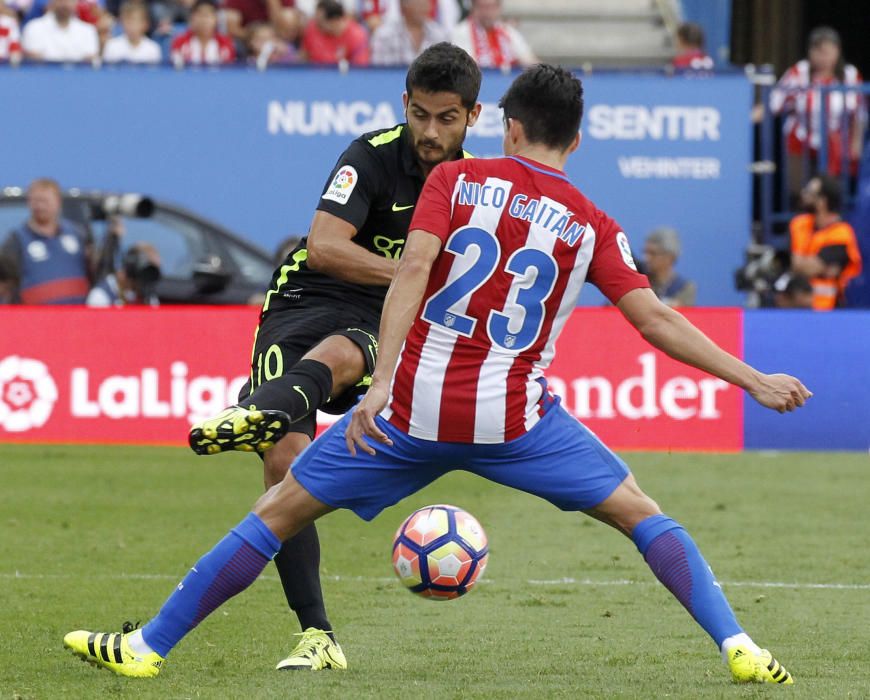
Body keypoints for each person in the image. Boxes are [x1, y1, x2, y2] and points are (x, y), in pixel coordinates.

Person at [64, 64, 809, 685]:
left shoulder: (454, 183)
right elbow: (657, 321)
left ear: (507, 124)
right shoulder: (592, 224)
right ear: (576, 140)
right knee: (643, 514)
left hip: (409, 414)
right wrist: (752, 380)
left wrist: (383, 382)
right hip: (515, 423)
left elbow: (412, 273)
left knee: (276, 513)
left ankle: (147, 648)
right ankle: (737, 644)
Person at [182, 42, 480, 671]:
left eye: (445, 118)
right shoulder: (370, 156)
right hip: (301, 300)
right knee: (285, 468)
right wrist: (410, 271)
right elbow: (322, 246)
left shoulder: (473, 188)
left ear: (471, 117)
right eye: (420, 114)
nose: (430, 131)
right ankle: (317, 636)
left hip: (376, 316)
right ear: (405, 104)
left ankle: (253, 411)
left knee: (347, 354)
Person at [770, 26, 865, 197]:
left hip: (836, 147)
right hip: (800, 143)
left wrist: (855, 143)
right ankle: (800, 222)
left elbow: (860, 113)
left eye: (827, 51)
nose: (823, 57)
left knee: (832, 196)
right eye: (817, 51)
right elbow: (774, 103)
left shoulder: (850, 76)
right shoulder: (798, 72)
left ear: (838, 51)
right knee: (800, 195)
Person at [0, 178, 96, 305]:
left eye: (45, 201)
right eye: (35, 201)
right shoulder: (16, 240)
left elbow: (93, 271)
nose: (40, 206)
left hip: (79, 315)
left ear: (58, 202)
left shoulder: (77, 234)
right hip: (35, 318)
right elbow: (6, 283)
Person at [789, 174, 862, 310]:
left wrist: (801, 264)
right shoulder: (799, 224)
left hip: (828, 311)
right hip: (794, 309)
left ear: (823, 201)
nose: (804, 195)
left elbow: (812, 267)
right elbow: (792, 264)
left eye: (810, 193)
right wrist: (807, 266)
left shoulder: (842, 233)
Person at [451, 0, 535, 70]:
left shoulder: (508, 31)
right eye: (483, 7)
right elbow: (465, 67)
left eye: (492, 7)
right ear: (473, 8)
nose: (488, 13)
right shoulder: (461, 32)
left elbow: (528, 60)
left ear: (499, 8)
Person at [370, 0, 448, 66]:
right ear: (403, 7)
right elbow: (380, 73)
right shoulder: (385, 35)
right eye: (419, 4)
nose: (424, 8)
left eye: (426, 4)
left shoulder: (439, 34)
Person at [86, 241, 162, 307]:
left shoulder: (148, 298)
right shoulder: (101, 296)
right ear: (131, 269)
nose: (148, 278)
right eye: (147, 272)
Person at [21, 0, 99, 62]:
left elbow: (90, 60)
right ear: (52, 2)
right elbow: (34, 60)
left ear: (76, 3)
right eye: (61, 0)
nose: (65, 4)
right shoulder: (33, 27)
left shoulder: (88, 31)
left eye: (70, 0)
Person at [300, 0, 369, 66]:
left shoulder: (357, 35)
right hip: (316, 75)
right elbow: (303, 58)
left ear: (334, 21)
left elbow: (360, 67)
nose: (317, 23)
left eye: (321, 21)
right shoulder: (312, 29)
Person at [642, 227, 696, 307]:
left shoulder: (685, 288)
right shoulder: (640, 283)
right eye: (645, 252)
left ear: (670, 257)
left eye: (653, 253)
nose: (646, 258)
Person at [170, 0, 235, 66]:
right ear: (192, 18)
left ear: (216, 19)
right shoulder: (180, 42)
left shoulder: (225, 43)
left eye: (208, 16)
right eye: (200, 15)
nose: (204, 20)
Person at [221, 0, 301, 46]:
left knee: (288, 16)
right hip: (247, 38)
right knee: (230, 17)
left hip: (278, 37)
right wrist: (256, 38)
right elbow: (230, 26)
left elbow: (291, 24)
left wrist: (273, 3)